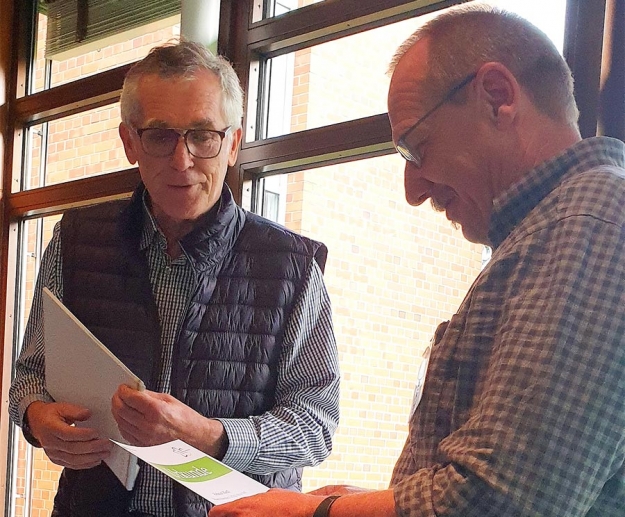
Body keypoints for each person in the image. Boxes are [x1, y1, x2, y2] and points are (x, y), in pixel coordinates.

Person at [209, 5, 625, 517]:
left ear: (498, 97)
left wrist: (313, 514)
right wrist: (356, 504)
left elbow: (502, 502)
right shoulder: (556, 232)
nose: (412, 190)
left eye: (416, 148)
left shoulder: (588, 223)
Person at [8, 40, 340, 517]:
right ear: (129, 143)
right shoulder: (76, 240)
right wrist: (37, 418)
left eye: (203, 135)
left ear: (233, 143)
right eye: (160, 136)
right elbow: (30, 376)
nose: (182, 160)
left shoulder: (292, 265)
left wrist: (209, 435)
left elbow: (316, 426)